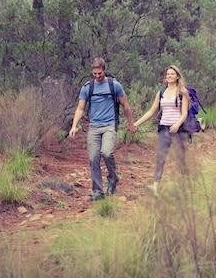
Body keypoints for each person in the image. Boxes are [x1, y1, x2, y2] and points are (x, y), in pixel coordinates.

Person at [69, 58, 136, 201]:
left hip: (109, 125)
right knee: (93, 158)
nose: (97, 76)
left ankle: (113, 180)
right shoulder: (88, 87)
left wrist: (131, 124)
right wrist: (74, 126)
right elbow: (80, 108)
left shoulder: (114, 85)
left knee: (106, 152)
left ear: (104, 70)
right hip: (94, 127)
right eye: (94, 73)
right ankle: (98, 192)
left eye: (99, 73)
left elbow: (125, 106)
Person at [133, 65, 190, 196]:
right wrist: (136, 124)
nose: (169, 76)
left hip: (178, 130)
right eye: (168, 74)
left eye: (172, 74)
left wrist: (177, 124)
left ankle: (186, 185)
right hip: (164, 129)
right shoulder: (161, 93)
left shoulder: (183, 93)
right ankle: (155, 187)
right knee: (160, 158)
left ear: (177, 76)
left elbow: (184, 113)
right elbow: (151, 112)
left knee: (180, 158)